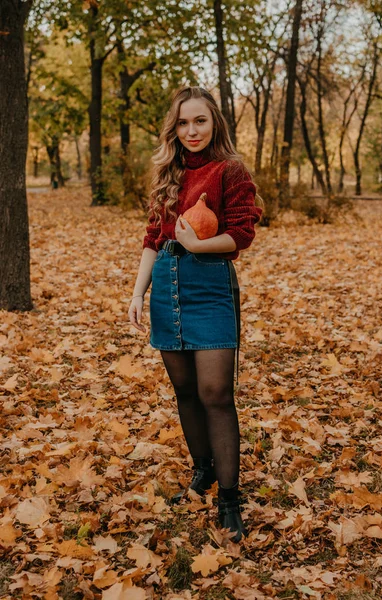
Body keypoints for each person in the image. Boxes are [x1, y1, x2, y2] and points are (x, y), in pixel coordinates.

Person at [128, 85, 262, 542]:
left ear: (214, 122)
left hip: (210, 287)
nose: (191, 131)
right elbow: (152, 238)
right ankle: (202, 472)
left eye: (199, 121)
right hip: (167, 285)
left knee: (215, 392)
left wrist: (200, 245)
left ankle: (229, 500)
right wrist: (138, 293)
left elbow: (242, 233)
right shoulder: (167, 173)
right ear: (175, 127)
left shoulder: (230, 170)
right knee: (184, 389)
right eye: (183, 122)